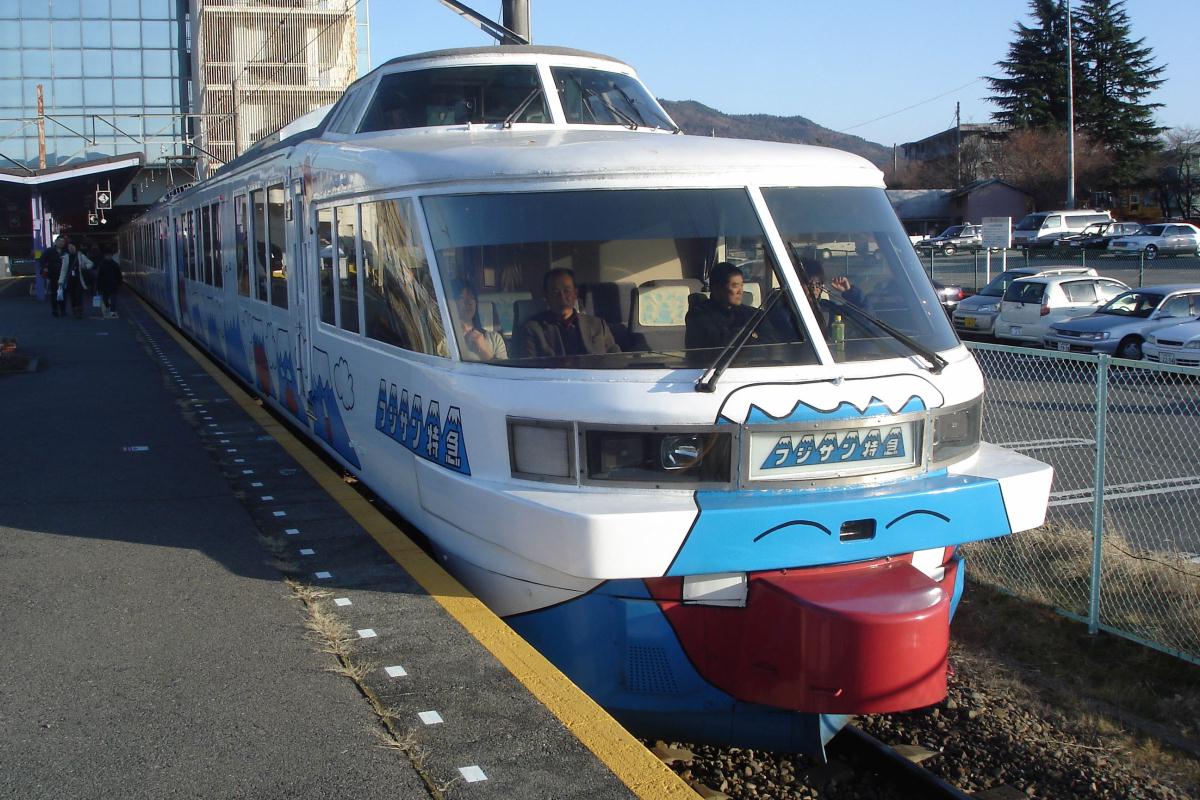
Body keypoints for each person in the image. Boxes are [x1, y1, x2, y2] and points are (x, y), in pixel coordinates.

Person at [513, 267, 621, 359]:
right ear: (546, 296)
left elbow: (616, 360)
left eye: (567, 290)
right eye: (556, 292)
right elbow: (528, 370)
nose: (562, 296)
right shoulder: (533, 329)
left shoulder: (598, 325)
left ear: (575, 293)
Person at [685, 262, 760, 350]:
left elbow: (771, 343)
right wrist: (749, 334)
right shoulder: (698, 316)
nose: (740, 291)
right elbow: (718, 344)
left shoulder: (753, 314)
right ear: (717, 288)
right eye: (735, 286)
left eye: (742, 285)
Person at [799, 260, 866, 339]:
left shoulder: (829, 308)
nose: (814, 288)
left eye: (818, 283)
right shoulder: (786, 312)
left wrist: (850, 292)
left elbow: (866, 322)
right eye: (809, 284)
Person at [450, 280, 507, 362]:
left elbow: (505, 373)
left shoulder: (495, 338)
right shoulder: (446, 339)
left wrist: (484, 350)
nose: (468, 302)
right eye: (461, 297)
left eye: (472, 297)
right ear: (451, 303)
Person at [57, 242, 94, 320]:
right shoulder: (66, 257)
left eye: (72, 246)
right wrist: (61, 281)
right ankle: (75, 310)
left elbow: (90, 263)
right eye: (69, 247)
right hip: (70, 281)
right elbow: (63, 270)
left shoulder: (80, 256)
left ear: (75, 247)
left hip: (79, 280)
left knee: (78, 296)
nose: (71, 248)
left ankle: (79, 311)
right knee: (72, 297)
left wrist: (85, 267)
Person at [40, 235, 68, 317]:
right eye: (60, 241)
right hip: (53, 275)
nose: (61, 243)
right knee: (54, 293)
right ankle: (55, 310)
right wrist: (45, 268)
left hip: (64, 275)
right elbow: (42, 260)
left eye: (63, 241)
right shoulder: (49, 251)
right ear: (56, 241)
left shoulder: (66, 251)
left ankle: (63, 310)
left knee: (63, 293)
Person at [95, 244, 123, 319]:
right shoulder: (114, 264)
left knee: (109, 298)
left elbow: (99, 276)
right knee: (108, 298)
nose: (109, 256)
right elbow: (119, 275)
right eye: (108, 255)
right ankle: (110, 309)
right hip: (109, 284)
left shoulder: (102, 265)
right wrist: (119, 282)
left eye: (110, 255)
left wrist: (98, 286)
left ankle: (111, 310)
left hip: (107, 285)